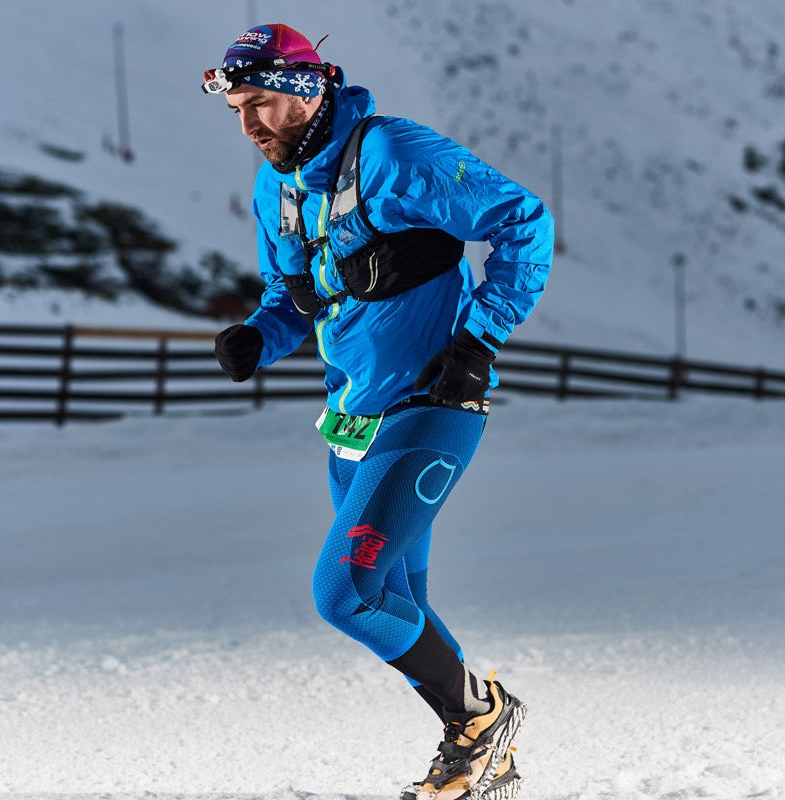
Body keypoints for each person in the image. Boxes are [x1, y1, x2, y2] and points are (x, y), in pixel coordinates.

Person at [202, 23, 553, 800]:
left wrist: (477, 341)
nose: (249, 125)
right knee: (400, 604)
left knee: (346, 594)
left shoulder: (394, 154)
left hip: (431, 405)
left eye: (261, 104)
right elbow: (295, 296)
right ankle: (479, 752)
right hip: (350, 419)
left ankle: (482, 721)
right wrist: (259, 338)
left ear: (305, 93)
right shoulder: (276, 187)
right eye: (236, 110)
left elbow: (525, 223)